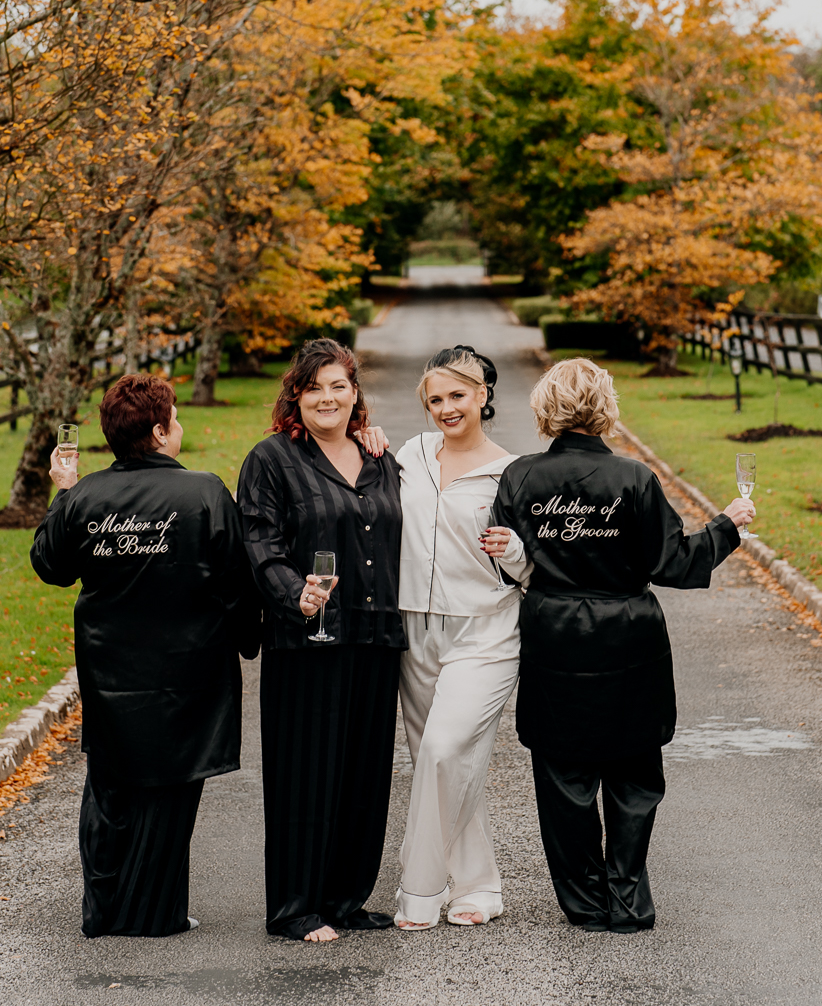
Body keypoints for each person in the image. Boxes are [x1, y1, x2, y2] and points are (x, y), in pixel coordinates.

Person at [493, 357, 756, 934]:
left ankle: (585, 904)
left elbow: (505, 565)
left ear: (547, 407)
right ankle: (629, 899)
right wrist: (727, 525)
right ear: (605, 407)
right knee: (635, 774)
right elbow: (674, 563)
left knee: (564, 777)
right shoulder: (634, 480)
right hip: (628, 639)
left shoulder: (518, 478)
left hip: (554, 637)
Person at [29, 374, 259, 938]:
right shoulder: (205, 493)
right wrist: (248, 638)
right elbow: (237, 582)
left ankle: (105, 910)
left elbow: (49, 565)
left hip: (113, 676)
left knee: (111, 788)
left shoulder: (84, 498)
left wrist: (63, 491)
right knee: (173, 787)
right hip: (191, 674)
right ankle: (154, 913)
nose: (180, 426)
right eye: (175, 418)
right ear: (159, 431)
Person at [235, 338, 403, 943]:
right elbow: (258, 543)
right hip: (308, 640)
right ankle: (296, 907)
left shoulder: (381, 457)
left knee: (364, 773)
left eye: (339, 386)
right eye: (314, 388)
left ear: (355, 393)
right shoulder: (271, 460)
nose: (327, 397)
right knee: (306, 773)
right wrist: (292, 592)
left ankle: (347, 899)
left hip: (376, 632)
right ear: (295, 397)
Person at [391, 346, 532, 931]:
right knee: (438, 763)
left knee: (446, 750)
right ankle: (478, 887)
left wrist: (517, 552)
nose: (446, 409)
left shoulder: (512, 472)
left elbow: (538, 567)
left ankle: (419, 890)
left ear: (482, 396)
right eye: (435, 400)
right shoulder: (410, 455)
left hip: (486, 630)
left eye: (457, 396)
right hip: (414, 630)